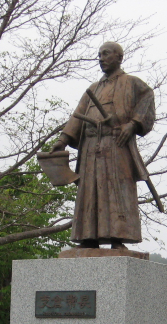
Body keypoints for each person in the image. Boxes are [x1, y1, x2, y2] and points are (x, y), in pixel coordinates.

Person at [51, 42, 155, 249]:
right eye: (99, 54)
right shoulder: (93, 89)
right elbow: (77, 116)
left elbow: (147, 99)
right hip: (90, 147)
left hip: (116, 144)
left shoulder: (132, 83)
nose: (101, 58)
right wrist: (62, 140)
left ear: (119, 57)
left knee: (117, 191)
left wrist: (132, 125)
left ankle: (117, 238)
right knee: (89, 192)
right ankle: (88, 238)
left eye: (106, 54)